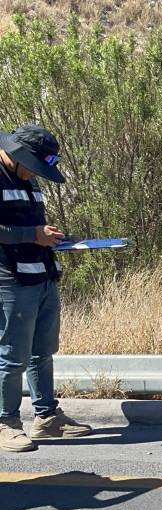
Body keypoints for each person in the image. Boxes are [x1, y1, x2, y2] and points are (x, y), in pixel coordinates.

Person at [0, 123, 91, 452]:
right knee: (12, 357)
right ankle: (5, 423)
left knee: (43, 352)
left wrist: (52, 238)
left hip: (42, 276)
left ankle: (47, 418)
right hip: (10, 282)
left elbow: (28, 225)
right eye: (34, 167)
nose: (34, 174)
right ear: (17, 155)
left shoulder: (28, 179)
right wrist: (32, 235)